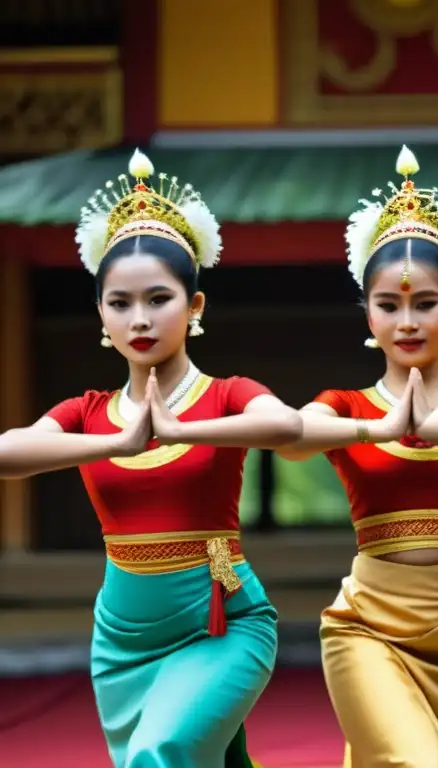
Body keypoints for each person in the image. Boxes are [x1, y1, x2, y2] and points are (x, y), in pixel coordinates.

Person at [0, 149, 302, 768]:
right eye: (120, 303)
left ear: (194, 309)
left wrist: (185, 430)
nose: (139, 319)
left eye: (159, 299)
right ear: (102, 317)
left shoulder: (226, 395)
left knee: (162, 751)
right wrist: (117, 443)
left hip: (221, 620)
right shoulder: (88, 412)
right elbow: (8, 453)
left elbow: (285, 424)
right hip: (123, 635)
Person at [276, 146, 438, 768]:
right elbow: (289, 440)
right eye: (388, 305)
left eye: (425, 303)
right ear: (368, 313)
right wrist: (378, 429)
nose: (406, 322)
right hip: (369, 622)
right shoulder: (345, 407)